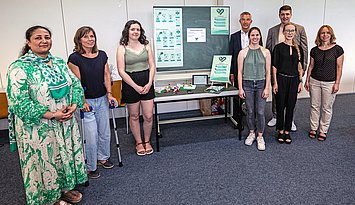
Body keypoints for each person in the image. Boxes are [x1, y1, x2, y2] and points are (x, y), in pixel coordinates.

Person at [7, 25, 86, 205]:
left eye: (47, 37)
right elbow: (19, 102)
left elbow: (74, 84)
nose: (44, 41)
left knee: (63, 156)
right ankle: (48, 199)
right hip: (38, 127)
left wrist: (73, 105)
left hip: (64, 121)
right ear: (28, 42)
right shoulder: (19, 68)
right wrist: (51, 114)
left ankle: (64, 189)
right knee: (44, 161)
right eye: (38, 37)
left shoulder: (58, 63)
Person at [68, 26, 116, 179]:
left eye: (92, 36)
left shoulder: (102, 55)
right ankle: (90, 166)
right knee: (90, 135)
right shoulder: (74, 58)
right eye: (86, 36)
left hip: (101, 98)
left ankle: (103, 158)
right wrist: (81, 101)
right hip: (86, 101)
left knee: (104, 132)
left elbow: (106, 75)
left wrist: (109, 95)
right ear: (79, 39)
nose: (90, 39)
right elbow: (76, 82)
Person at [116, 20, 156, 156]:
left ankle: (147, 141)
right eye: (132, 29)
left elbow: (152, 65)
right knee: (134, 116)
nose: (135, 32)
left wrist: (150, 82)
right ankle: (139, 143)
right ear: (127, 31)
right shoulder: (122, 48)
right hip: (130, 83)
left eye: (138, 29)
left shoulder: (146, 45)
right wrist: (136, 86)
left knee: (148, 116)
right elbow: (121, 71)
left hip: (146, 81)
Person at [266, 5, 308, 131]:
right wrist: (269, 71)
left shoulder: (299, 29)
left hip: (293, 71)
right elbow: (268, 50)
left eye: (287, 14)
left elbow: (304, 50)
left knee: (291, 98)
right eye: (282, 14)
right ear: (279, 15)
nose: (285, 16)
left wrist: (303, 70)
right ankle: (275, 116)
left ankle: (291, 120)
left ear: (291, 15)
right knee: (276, 94)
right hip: (277, 70)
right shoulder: (272, 30)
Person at [304, 25, 344, 141]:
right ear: (319, 35)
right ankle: (313, 128)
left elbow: (339, 68)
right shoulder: (314, 50)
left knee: (327, 107)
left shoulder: (338, 49)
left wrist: (337, 83)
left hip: (330, 83)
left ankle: (323, 130)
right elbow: (311, 66)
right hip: (314, 81)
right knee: (314, 106)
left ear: (331, 35)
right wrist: (307, 80)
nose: (325, 35)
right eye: (322, 33)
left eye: (327, 33)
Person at [237, 27, 271, 151]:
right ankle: (252, 132)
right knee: (250, 111)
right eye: (252, 35)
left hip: (261, 84)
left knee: (261, 112)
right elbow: (239, 72)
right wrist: (240, 88)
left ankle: (260, 136)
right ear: (249, 37)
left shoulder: (266, 52)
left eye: (257, 35)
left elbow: (268, 72)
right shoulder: (243, 52)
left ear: (260, 36)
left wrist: (267, 87)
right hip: (247, 85)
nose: (255, 37)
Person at [272, 22, 304, 144]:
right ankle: (280, 130)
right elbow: (274, 67)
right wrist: (275, 83)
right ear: (283, 32)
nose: (290, 33)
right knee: (280, 106)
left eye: (292, 31)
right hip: (281, 79)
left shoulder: (299, 49)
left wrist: (300, 81)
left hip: (294, 80)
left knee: (291, 106)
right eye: (288, 31)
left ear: (295, 33)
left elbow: (300, 67)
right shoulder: (278, 48)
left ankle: (287, 131)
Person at [229, 12, 253, 123]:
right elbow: (231, 55)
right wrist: (231, 72)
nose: (245, 22)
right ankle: (237, 117)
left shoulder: (255, 35)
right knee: (238, 94)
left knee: (251, 95)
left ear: (251, 21)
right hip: (238, 70)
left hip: (252, 71)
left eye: (247, 19)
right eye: (243, 19)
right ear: (240, 21)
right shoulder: (234, 37)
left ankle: (251, 116)